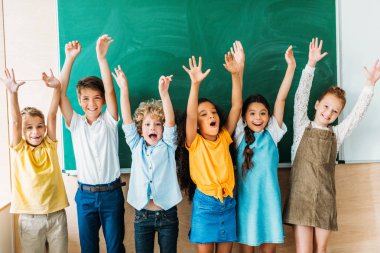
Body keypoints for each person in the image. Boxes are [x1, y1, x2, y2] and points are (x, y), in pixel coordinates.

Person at [283, 37, 380, 253]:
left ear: (337, 116)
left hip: (325, 200)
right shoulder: (301, 126)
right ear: (317, 105)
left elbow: (357, 115)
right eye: (325, 106)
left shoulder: (337, 134)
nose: (328, 113)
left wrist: (369, 86)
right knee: (303, 250)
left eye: (334, 111)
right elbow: (300, 97)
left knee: (322, 250)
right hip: (301, 199)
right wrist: (310, 65)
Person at [59, 35, 125, 253]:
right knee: (88, 249)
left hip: (111, 194)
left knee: (115, 248)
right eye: (85, 99)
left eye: (96, 98)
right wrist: (69, 59)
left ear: (103, 101)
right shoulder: (75, 124)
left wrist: (101, 57)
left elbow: (111, 90)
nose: (91, 103)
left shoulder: (109, 121)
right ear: (79, 101)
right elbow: (59, 94)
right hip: (85, 196)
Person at [177, 41, 244, 253]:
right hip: (205, 205)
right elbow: (189, 115)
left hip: (228, 201)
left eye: (213, 112)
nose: (211, 116)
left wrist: (236, 74)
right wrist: (195, 84)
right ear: (197, 124)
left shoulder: (224, 136)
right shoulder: (194, 142)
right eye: (204, 115)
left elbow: (237, 106)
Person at [112, 65, 182, 253]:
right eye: (148, 124)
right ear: (141, 129)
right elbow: (126, 120)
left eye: (157, 124)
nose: (153, 128)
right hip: (142, 216)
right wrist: (123, 89)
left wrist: (164, 94)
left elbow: (171, 123)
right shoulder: (136, 146)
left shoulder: (168, 145)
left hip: (168, 214)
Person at [235, 46, 296, 253]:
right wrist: (240, 67)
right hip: (246, 203)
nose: (258, 118)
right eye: (252, 113)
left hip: (269, 202)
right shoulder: (239, 134)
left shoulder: (272, 133)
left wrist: (291, 67)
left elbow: (281, 99)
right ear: (244, 117)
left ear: (269, 116)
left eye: (262, 113)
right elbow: (237, 98)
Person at [2, 68, 69, 253]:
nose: (35, 132)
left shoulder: (50, 145)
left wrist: (57, 88)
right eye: (29, 127)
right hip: (30, 219)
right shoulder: (20, 149)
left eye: (39, 126)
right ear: (23, 131)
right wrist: (12, 92)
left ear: (45, 128)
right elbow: (15, 122)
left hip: (56, 215)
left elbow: (53, 115)